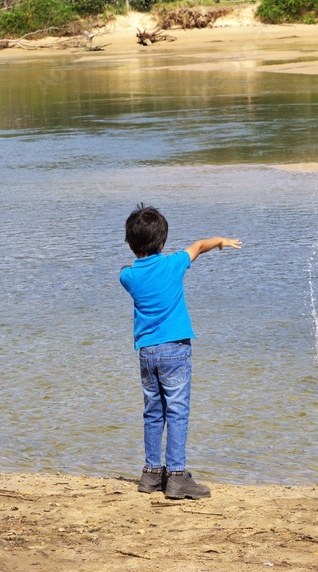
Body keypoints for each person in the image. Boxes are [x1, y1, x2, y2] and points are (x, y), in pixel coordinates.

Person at [119, 204, 241, 499]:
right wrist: (221, 241)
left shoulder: (128, 277)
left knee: (153, 412)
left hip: (147, 352)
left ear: (130, 243)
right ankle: (176, 476)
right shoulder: (173, 264)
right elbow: (199, 246)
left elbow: (129, 269)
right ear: (162, 242)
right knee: (177, 412)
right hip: (175, 349)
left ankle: (150, 474)